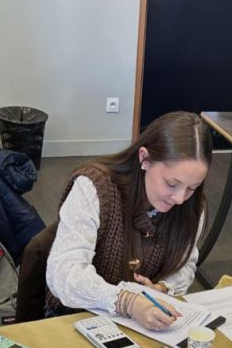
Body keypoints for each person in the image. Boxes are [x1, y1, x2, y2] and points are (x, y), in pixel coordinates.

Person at [37, 110, 212, 330]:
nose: (179, 198)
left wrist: (162, 289)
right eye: (171, 184)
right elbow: (64, 273)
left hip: (142, 325)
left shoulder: (192, 205)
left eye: (192, 187)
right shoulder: (95, 188)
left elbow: (185, 264)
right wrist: (128, 301)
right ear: (144, 159)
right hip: (75, 317)